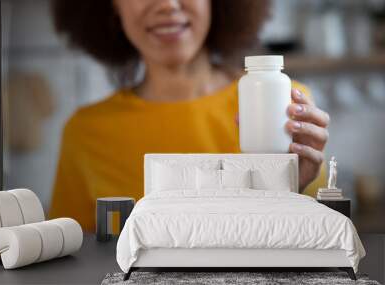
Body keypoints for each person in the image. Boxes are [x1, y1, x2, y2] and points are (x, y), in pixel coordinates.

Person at [49, 0, 330, 232]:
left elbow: (318, 242)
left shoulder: (284, 105)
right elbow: (72, 255)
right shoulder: (86, 132)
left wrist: (294, 189)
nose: (168, 5)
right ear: (112, 6)